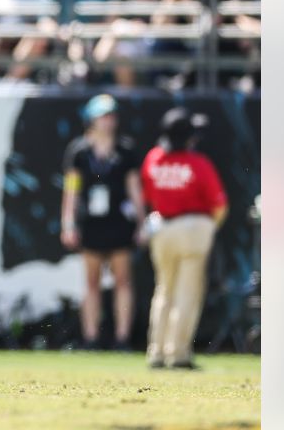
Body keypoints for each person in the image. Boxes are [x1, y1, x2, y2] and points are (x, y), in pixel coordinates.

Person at [141, 107, 228, 370]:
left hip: (162, 229)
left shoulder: (153, 158)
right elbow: (220, 205)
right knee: (186, 294)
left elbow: (148, 196)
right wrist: (209, 228)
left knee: (163, 291)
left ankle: (156, 352)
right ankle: (178, 354)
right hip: (193, 227)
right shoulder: (198, 163)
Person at [60, 95, 144, 351]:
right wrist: (68, 223)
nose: (109, 121)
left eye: (112, 116)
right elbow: (71, 191)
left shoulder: (125, 150)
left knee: (122, 281)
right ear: (92, 119)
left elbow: (134, 189)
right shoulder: (79, 152)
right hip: (91, 223)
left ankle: (122, 337)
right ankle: (91, 337)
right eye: (103, 116)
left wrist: (141, 224)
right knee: (91, 282)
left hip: (119, 222)